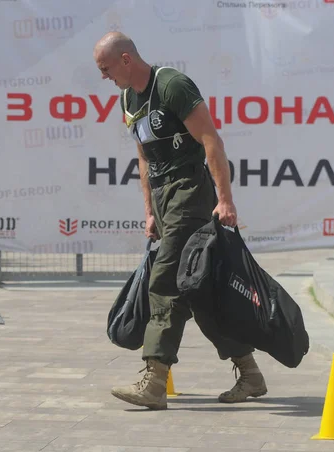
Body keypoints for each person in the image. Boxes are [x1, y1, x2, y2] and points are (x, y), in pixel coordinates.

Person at [93, 32, 267, 409]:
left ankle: (154, 381)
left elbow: (211, 141)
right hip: (163, 197)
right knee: (200, 291)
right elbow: (144, 157)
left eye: (105, 68)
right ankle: (250, 373)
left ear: (126, 59)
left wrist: (225, 200)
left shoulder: (171, 84)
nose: (103, 76)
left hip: (190, 191)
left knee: (165, 280)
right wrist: (149, 210)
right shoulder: (128, 98)